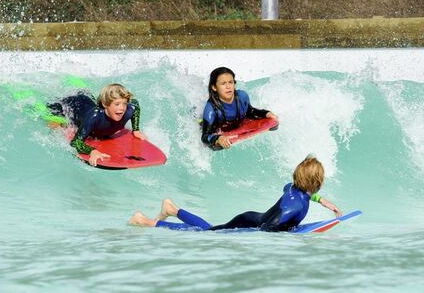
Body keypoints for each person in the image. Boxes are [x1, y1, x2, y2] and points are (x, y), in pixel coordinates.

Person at [129, 155, 342, 232]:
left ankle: (172, 209)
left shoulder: (293, 188)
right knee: (206, 234)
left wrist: (323, 201)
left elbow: (295, 190)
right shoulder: (294, 206)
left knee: (209, 230)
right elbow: (269, 227)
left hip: (249, 217)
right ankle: (147, 221)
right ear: (317, 181)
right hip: (247, 223)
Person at [49, 83, 146, 166]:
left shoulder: (129, 110)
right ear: (105, 104)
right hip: (72, 104)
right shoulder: (94, 117)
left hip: (88, 103)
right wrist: (92, 151)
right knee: (55, 124)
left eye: (124, 103)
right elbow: (75, 142)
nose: (122, 108)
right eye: (117, 104)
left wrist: (136, 129)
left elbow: (135, 104)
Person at [201, 67, 278, 150]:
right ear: (214, 87)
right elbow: (205, 136)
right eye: (223, 83)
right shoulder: (211, 109)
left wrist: (266, 113)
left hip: (237, 124)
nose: (228, 86)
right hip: (217, 128)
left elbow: (249, 111)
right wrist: (218, 138)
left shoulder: (242, 96)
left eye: (230, 82)